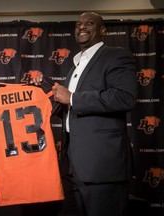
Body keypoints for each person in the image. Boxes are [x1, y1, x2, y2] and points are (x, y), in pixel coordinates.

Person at [33, 12, 137, 216]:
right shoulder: (75, 66)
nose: (81, 27)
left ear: (103, 30)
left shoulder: (116, 55)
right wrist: (44, 91)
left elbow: (124, 97)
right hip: (71, 164)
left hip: (102, 166)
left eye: (89, 23)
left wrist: (72, 98)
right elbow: (70, 106)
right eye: (78, 24)